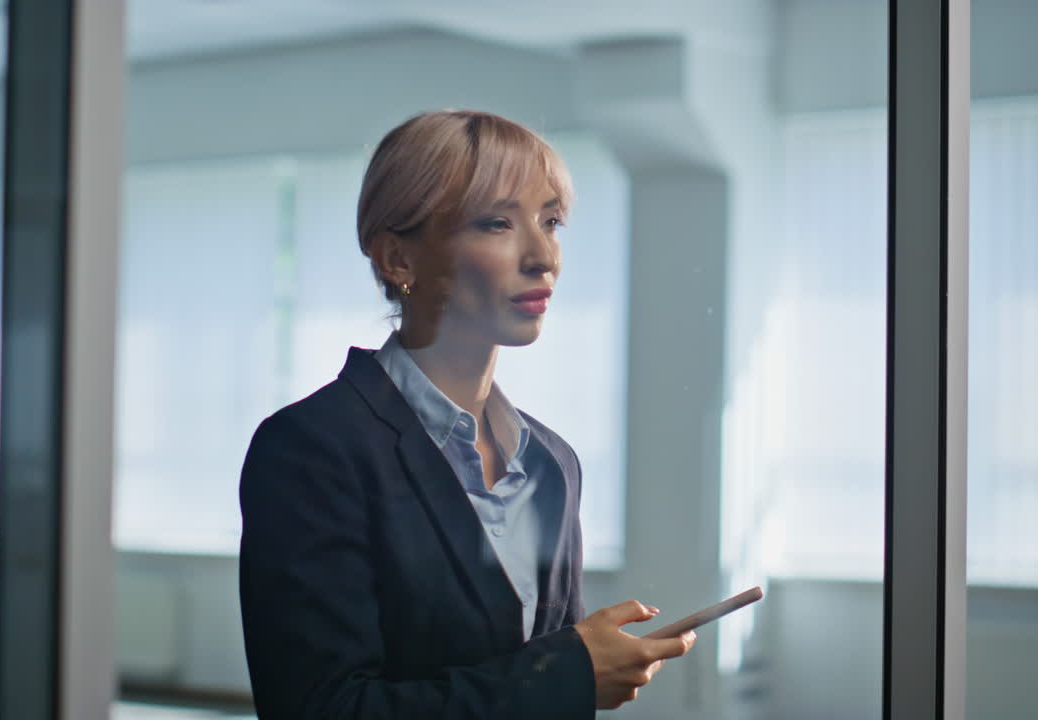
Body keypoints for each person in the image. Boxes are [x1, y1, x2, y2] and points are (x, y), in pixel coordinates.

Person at [238, 109, 695, 719]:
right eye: (498, 223)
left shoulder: (553, 463)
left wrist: (581, 671)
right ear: (398, 259)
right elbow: (322, 708)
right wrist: (565, 677)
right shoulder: (310, 449)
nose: (544, 257)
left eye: (551, 221)